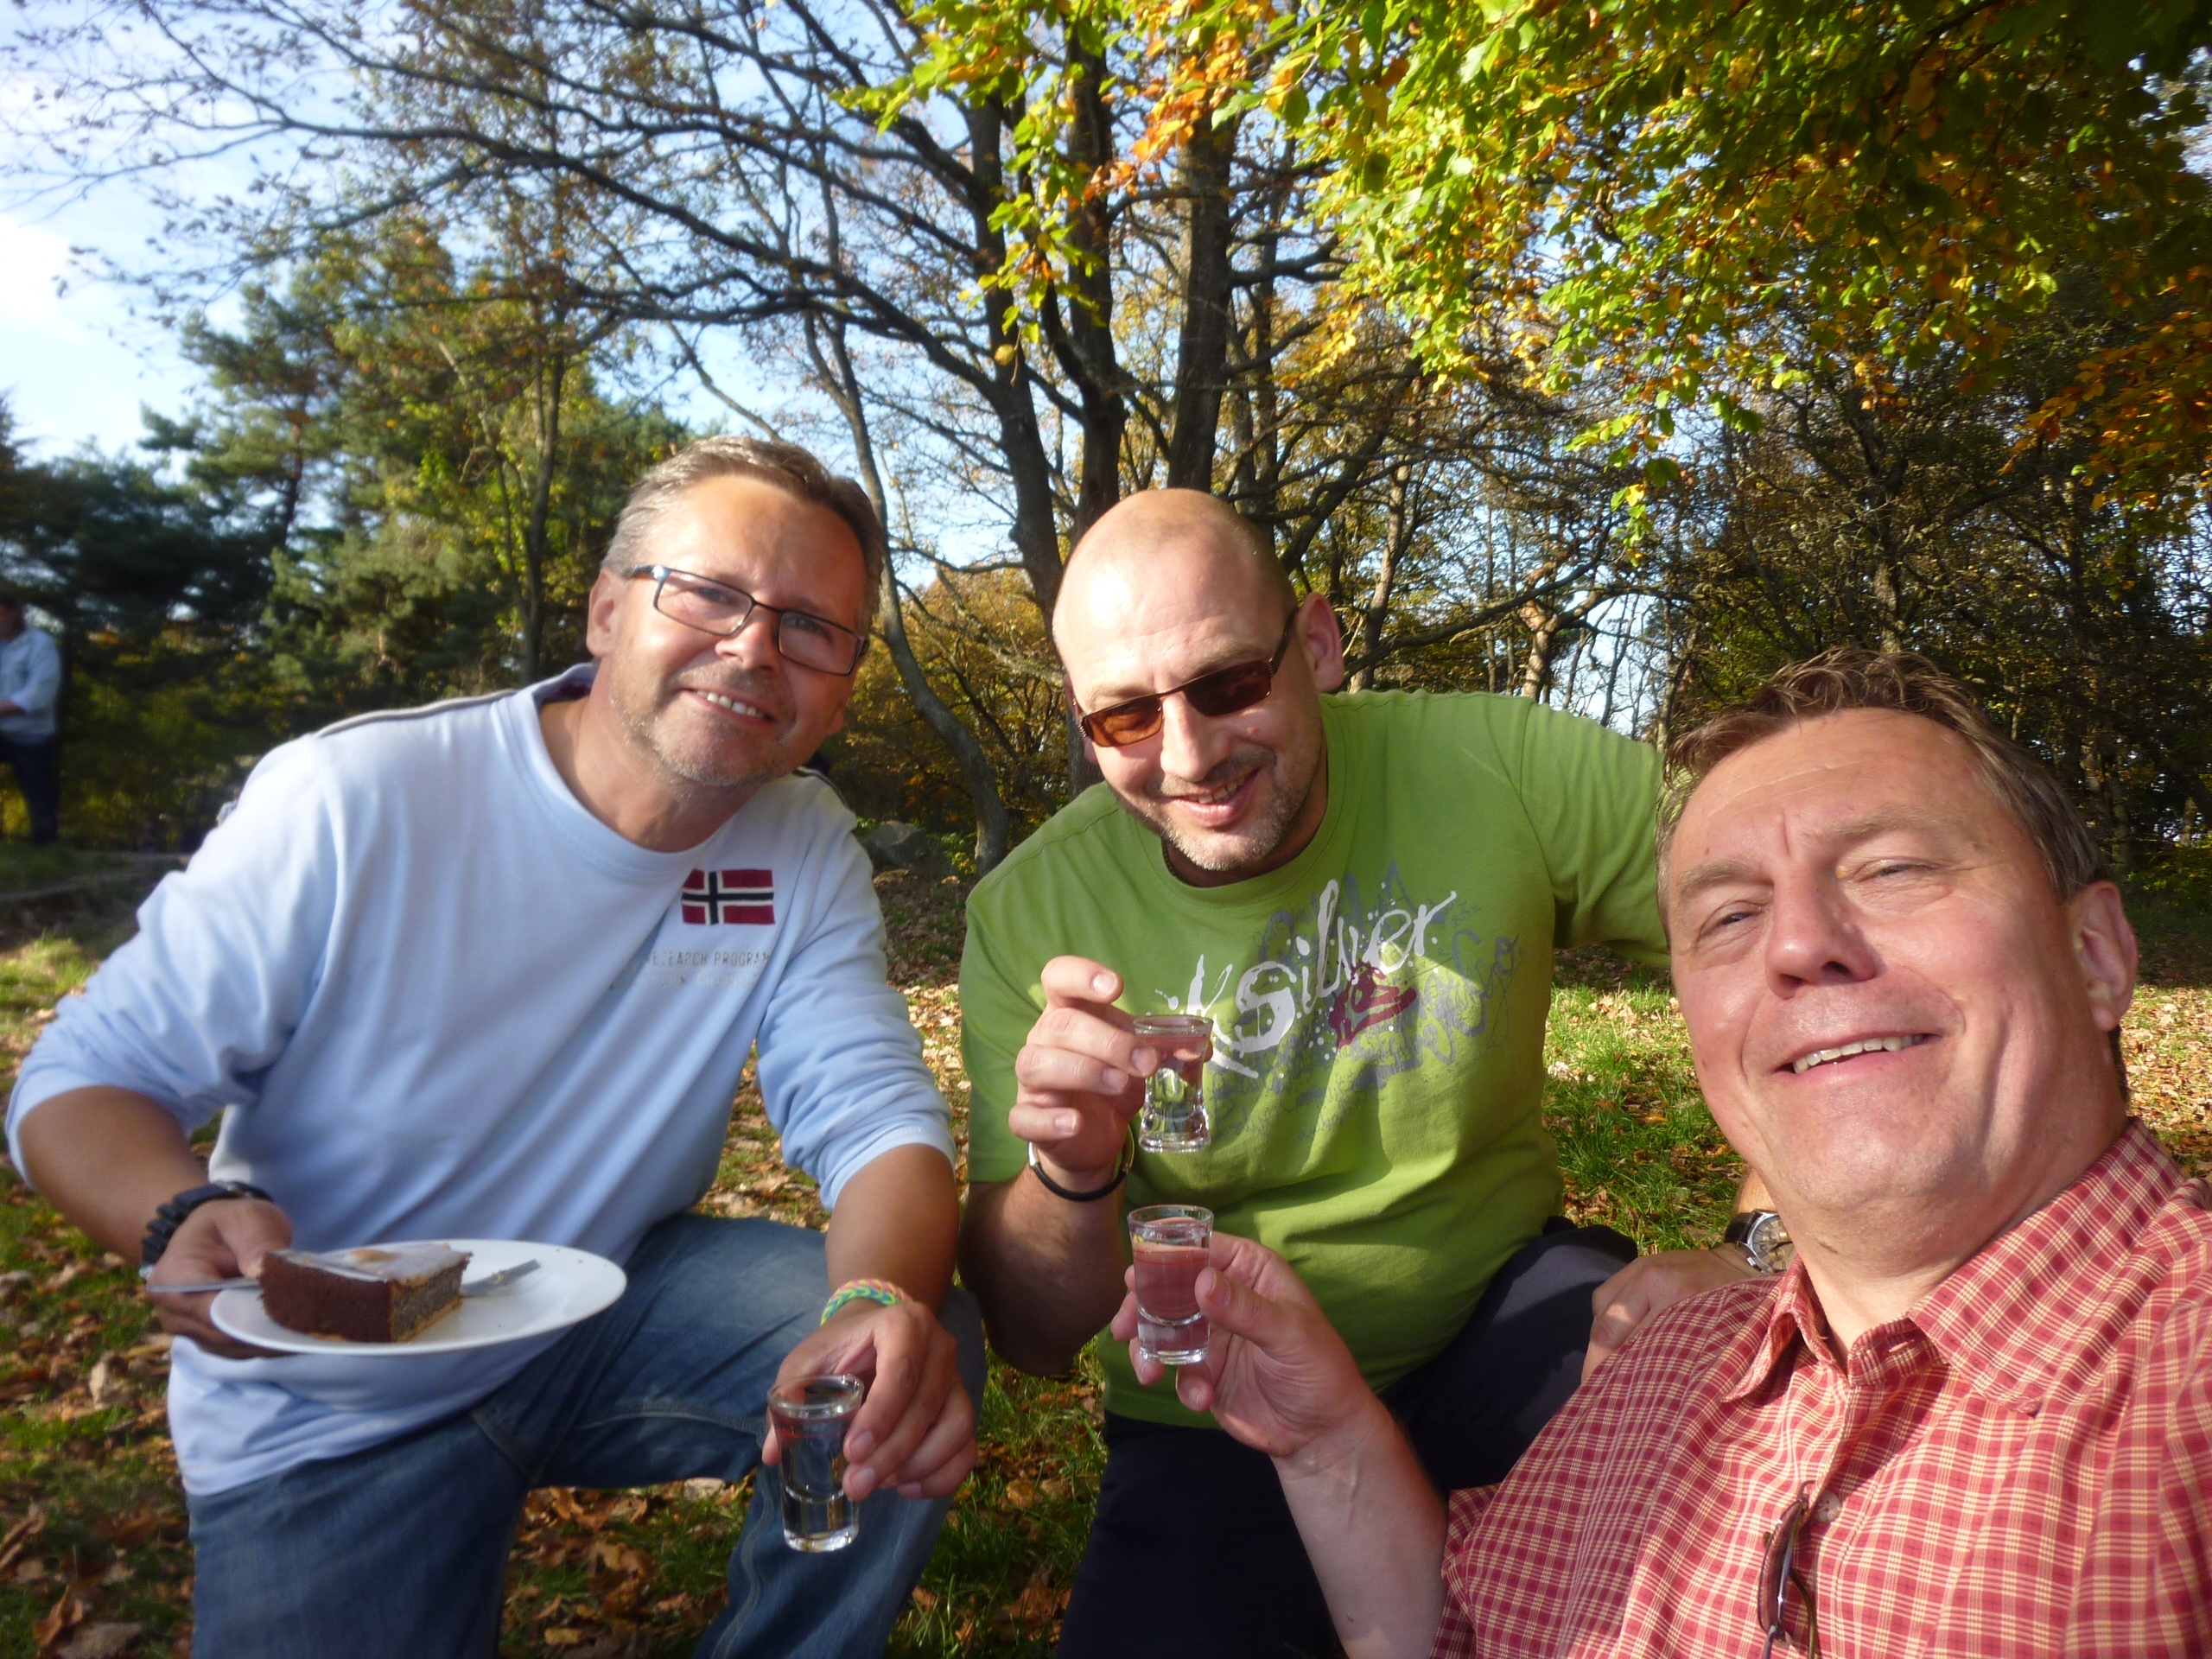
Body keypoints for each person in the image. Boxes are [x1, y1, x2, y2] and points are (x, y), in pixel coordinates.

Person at [7, 436, 984, 1658]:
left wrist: (877, 1300)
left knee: (897, 1346)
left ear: (842, 683)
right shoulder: (358, 798)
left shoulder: (799, 844)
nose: (753, 648)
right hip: (331, 1400)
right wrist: (176, 1214)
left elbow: (876, 1118)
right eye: (709, 594)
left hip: (599, 1312)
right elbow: (80, 1081)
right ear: (607, 609)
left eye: (810, 627)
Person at [1137, 647, 2212, 1658]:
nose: (1799, 944)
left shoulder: (2185, 1403)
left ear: (2094, 955)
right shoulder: (1660, 1369)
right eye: (1731, 916)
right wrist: (1327, 1437)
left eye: (1890, 868)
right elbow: (1464, 1630)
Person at [957, 489, 1745, 1656]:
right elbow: (1031, 1333)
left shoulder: (1497, 764)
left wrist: (1758, 1242)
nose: (1190, 755)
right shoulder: (1028, 913)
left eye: (1229, 682)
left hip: (1503, 1323)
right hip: (1216, 1402)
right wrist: (1071, 1172)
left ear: (1316, 646)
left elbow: (1791, 915)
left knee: (1719, 1532)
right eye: (1125, 716)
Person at [0, 585, 63, 844]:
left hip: (32, 735)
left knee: (38, 796)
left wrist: (3, 709)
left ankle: (46, 849)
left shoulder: (40, 644)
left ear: (14, 611)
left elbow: (40, 692)